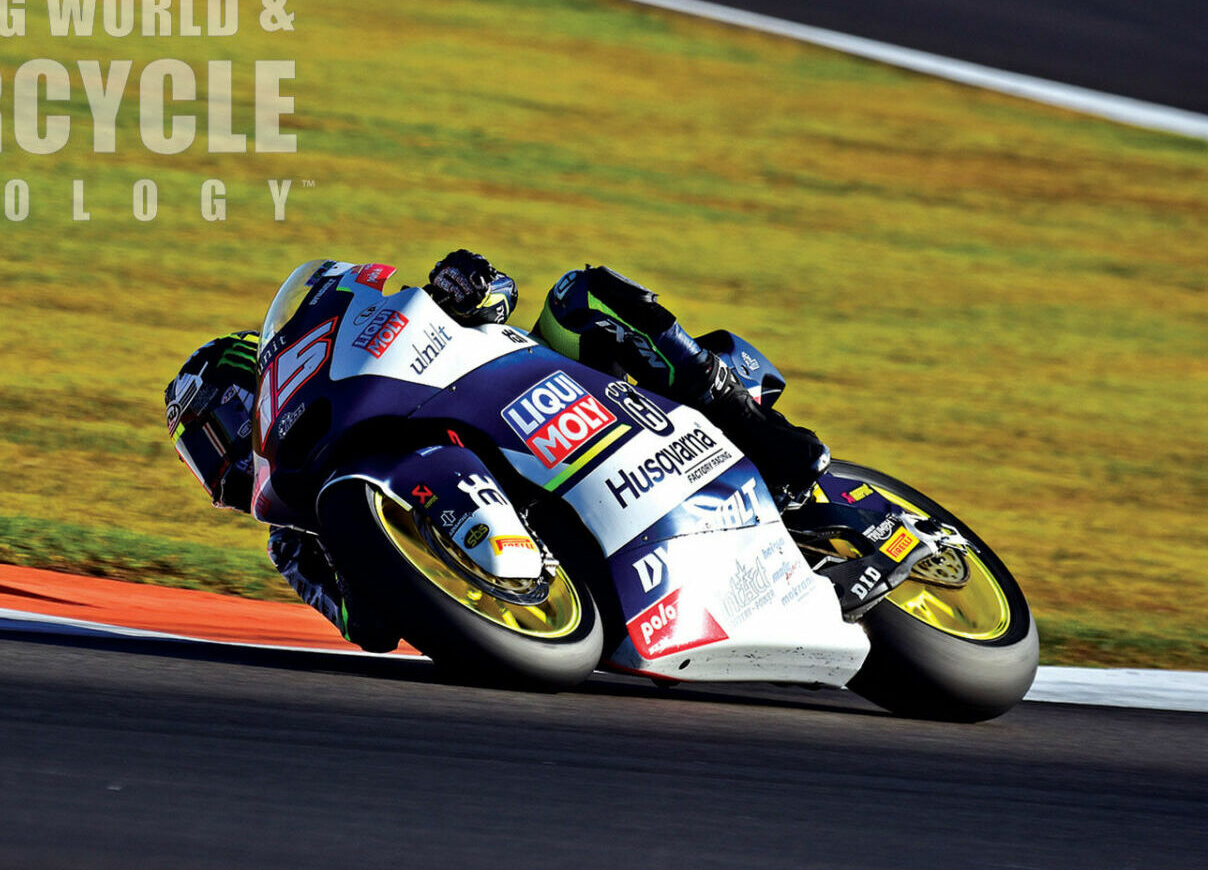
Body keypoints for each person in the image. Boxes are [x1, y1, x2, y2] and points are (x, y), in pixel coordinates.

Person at [164, 252, 829, 652]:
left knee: (579, 297)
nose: (216, 462)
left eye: (217, 428)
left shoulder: (377, 364)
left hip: (553, 395)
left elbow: (497, 302)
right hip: (551, 614)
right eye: (201, 457)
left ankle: (758, 433)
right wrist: (350, 550)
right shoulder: (293, 544)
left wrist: (468, 288)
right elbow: (367, 629)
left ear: (264, 381)